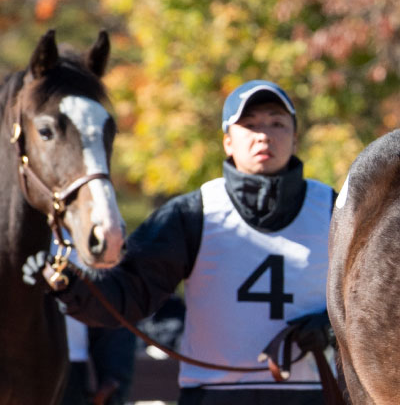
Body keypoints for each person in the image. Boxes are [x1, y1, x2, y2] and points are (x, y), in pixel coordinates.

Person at [28, 80, 337, 405]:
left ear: (295, 138)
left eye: (277, 123)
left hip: (313, 394)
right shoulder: (193, 213)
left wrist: (329, 328)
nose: (264, 134)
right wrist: (73, 287)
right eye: (250, 125)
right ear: (228, 142)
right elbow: (128, 295)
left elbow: (376, 301)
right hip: (213, 396)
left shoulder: (335, 209)